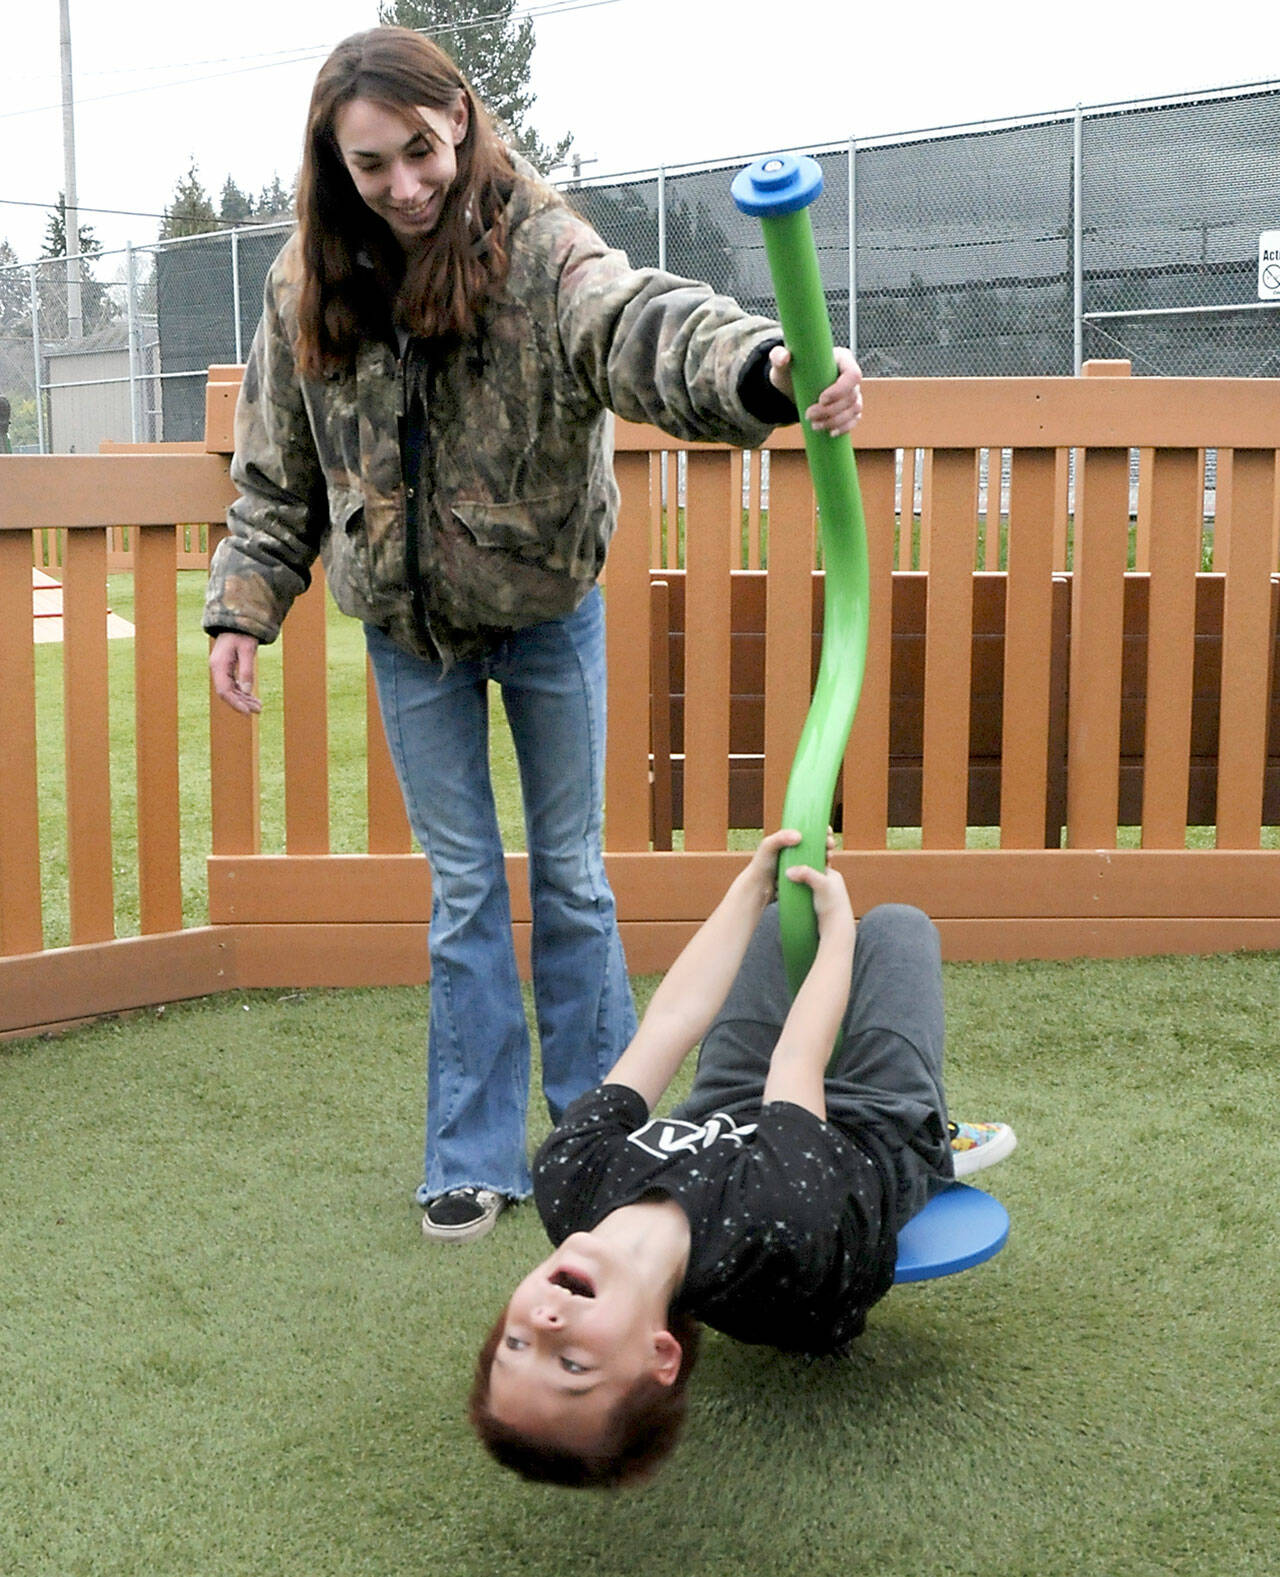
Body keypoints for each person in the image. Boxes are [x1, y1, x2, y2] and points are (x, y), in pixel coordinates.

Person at [203, 26, 864, 1244]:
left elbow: (635, 324)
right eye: (370, 165)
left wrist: (765, 369)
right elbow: (275, 467)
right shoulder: (305, 282)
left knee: (569, 876)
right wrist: (245, 603)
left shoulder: (539, 245)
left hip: (546, 612)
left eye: (418, 151)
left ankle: (594, 1127)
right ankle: (465, 1153)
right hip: (409, 634)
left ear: (458, 118)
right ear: (331, 161)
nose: (403, 185)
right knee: (464, 892)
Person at [470, 830, 1016, 1488]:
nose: (545, 1323)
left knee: (769, 922)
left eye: (517, 1346)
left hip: (731, 1107)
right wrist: (839, 936)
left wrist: (750, 883)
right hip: (864, 1128)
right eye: (573, 1366)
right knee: (898, 928)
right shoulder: (770, 1222)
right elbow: (797, 1062)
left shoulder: (571, 1178)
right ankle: (933, 1153)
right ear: (659, 1354)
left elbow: (671, 1019)